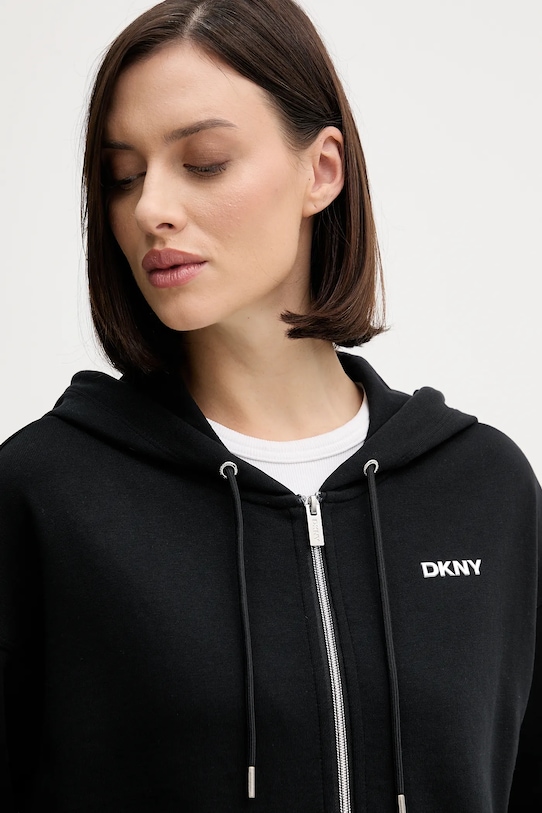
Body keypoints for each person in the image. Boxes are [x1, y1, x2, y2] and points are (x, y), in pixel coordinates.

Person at [0, 0, 539, 810]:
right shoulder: (46, 494)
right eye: (123, 176)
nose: (149, 208)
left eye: (204, 161)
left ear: (321, 171)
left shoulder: (484, 491)